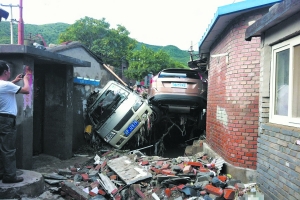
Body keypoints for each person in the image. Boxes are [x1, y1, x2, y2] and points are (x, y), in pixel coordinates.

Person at [0, 60, 30, 183]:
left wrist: (14, 81)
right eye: (9, 70)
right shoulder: (6, 85)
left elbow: (5, 88)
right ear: (6, 72)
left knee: (2, 148)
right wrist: (26, 78)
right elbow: (26, 90)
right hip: (6, 120)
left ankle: (2, 172)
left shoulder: (5, 85)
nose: (10, 72)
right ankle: (10, 176)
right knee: (8, 149)